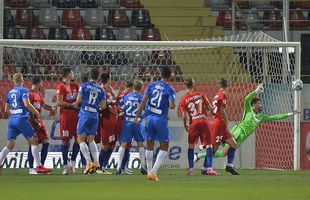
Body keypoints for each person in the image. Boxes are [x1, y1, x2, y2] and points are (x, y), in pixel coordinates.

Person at [195, 83, 301, 175]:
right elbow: (246, 99)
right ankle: (215, 154)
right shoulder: (248, 109)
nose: (261, 105)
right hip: (238, 130)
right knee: (224, 146)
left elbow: (275, 117)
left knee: (223, 153)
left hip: (243, 136)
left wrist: (291, 113)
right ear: (254, 105)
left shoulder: (261, 117)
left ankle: (200, 155)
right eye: (259, 103)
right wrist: (256, 91)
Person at [0, 73, 51, 175]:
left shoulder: (10, 93)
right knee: (34, 141)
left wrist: (14, 113)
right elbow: (27, 104)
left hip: (12, 120)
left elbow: (6, 109)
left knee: (10, 144)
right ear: (22, 80)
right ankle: (38, 166)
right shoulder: (24, 90)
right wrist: (36, 112)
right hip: (22, 119)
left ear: (14, 81)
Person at [134, 66, 176, 181]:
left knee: (149, 145)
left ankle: (149, 171)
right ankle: (153, 172)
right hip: (161, 120)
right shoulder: (170, 89)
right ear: (170, 75)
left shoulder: (151, 85)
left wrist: (137, 116)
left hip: (149, 119)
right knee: (164, 147)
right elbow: (172, 106)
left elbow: (143, 101)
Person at [180, 78, 219, 176]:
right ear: (194, 85)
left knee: (191, 146)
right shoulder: (201, 94)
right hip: (204, 121)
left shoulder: (183, 99)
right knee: (209, 145)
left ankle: (191, 170)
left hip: (193, 123)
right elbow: (210, 109)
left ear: (186, 86)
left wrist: (185, 125)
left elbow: (184, 116)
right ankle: (209, 168)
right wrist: (213, 112)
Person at [75, 68, 106, 174]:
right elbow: (103, 106)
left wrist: (82, 102)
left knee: (80, 139)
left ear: (89, 76)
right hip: (95, 114)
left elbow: (78, 101)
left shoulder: (84, 85)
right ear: (98, 77)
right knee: (91, 139)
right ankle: (97, 163)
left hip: (85, 113)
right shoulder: (101, 89)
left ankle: (89, 162)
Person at [116, 80, 146, 175]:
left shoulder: (127, 96)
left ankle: (118, 167)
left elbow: (119, 106)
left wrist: (124, 110)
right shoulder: (142, 98)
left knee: (123, 144)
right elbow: (146, 111)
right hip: (137, 122)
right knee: (140, 144)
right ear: (141, 88)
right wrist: (141, 116)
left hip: (127, 122)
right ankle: (143, 167)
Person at [28, 76, 57, 175]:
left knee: (46, 142)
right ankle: (31, 168)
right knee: (32, 143)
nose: (42, 85)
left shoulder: (38, 94)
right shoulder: (29, 94)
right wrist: (34, 122)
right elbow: (29, 109)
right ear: (38, 83)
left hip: (38, 120)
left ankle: (41, 166)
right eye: (41, 83)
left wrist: (52, 107)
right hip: (31, 121)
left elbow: (44, 106)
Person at [56, 67, 80, 175]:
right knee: (65, 141)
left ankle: (73, 163)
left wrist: (79, 104)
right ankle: (65, 166)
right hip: (66, 117)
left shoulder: (76, 85)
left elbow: (81, 97)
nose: (73, 74)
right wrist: (72, 105)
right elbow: (59, 102)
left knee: (78, 139)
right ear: (68, 74)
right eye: (72, 72)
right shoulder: (61, 86)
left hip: (77, 117)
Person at [97, 73, 117, 174]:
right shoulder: (101, 90)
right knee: (106, 144)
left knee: (112, 144)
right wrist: (114, 112)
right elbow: (104, 106)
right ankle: (99, 167)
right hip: (107, 119)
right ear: (108, 79)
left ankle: (104, 165)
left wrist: (112, 92)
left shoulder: (108, 90)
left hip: (113, 120)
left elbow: (114, 101)